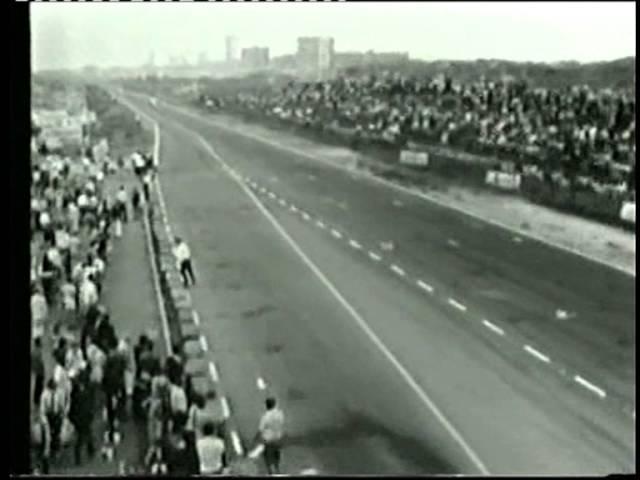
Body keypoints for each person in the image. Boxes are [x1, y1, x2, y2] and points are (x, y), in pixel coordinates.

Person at [68, 370, 96, 465]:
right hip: (82, 418)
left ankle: (89, 449)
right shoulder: (83, 391)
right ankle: (83, 454)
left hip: (83, 417)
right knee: (82, 436)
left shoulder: (79, 392)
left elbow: (73, 406)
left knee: (86, 434)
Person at [258, 397, 285, 475]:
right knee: (277, 453)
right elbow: (281, 422)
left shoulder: (265, 417)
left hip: (268, 439)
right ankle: (277, 468)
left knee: (267, 455)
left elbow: (261, 429)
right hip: (277, 438)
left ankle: (270, 470)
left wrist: (260, 437)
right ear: (274, 405)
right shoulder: (280, 413)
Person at [31, 337, 45, 407]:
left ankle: (35, 399)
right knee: (39, 385)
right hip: (40, 371)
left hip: (36, 370)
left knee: (37, 385)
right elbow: (40, 362)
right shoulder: (39, 351)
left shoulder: (33, 350)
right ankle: (38, 399)